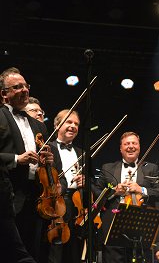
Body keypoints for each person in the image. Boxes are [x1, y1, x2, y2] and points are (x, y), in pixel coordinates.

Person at [0, 67, 55, 262]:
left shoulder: (39, 125)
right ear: (4, 94)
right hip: (8, 197)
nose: (24, 90)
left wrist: (48, 161)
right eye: (17, 87)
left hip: (37, 199)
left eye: (26, 86)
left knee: (34, 250)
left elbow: (48, 159)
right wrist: (17, 159)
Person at [93, 131, 159, 263]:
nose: (131, 146)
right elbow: (96, 193)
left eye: (134, 143)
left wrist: (141, 189)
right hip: (112, 227)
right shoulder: (107, 168)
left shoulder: (151, 168)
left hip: (141, 226)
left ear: (139, 147)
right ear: (121, 149)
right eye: (127, 143)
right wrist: (115, 191)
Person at [48, 109, 84, 263]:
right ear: (57, 125)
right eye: (69, 122)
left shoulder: (82, 153)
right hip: (54, 203)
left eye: (76, 123)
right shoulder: (48, 147)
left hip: (77, 206)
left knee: (74, 250)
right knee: (54, 250)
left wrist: (85, 182)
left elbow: (91, 183)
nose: (73, 126)